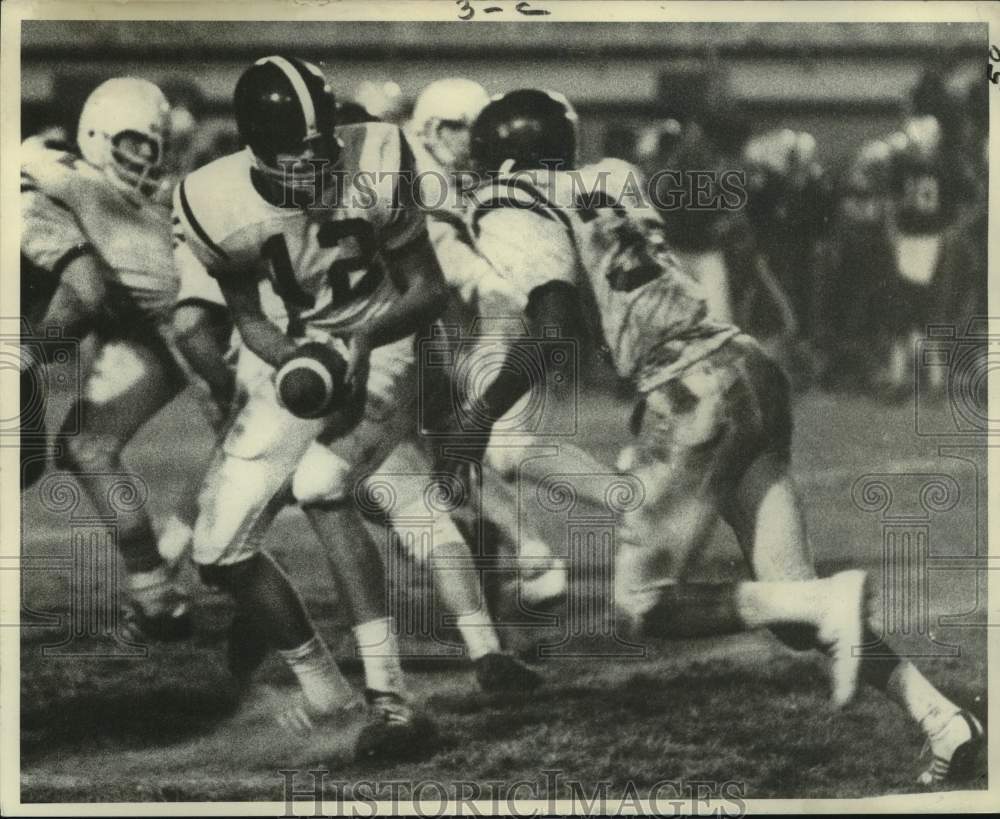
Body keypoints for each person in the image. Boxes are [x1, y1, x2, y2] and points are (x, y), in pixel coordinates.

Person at [462, 88, 985, 786]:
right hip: (746, 365)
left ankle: (831, 601)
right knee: (792, 602)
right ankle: (942, 717)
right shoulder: (611, 174)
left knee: (647, 603)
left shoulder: (511, 201)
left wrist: (480, 412)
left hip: (689, 388)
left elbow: (552, 328)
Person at [173, 55, 456, 759]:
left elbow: (428, 287)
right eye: (296, 155)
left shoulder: (380, 155)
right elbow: (248, 318)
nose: (316, 167)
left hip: (387, 332)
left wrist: (359, 340)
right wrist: (299, 360)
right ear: (255, 149)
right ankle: (330, 695)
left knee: (322, 485)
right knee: (217, 550)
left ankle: (395, 702)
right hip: (307, 350)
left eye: (323, 148)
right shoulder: (214, 199)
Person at [20, 78, 194, 641]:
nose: (144, 158)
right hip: (145, 322)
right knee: (84, 447)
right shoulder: (46, 173)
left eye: (151, 146)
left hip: (183, 329)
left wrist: (25, 357)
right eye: (131, 144)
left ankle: (178, 576)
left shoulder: (43, 185)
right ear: (95, 135)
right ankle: (156, 591)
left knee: (256, 464)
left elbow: (86, 291)